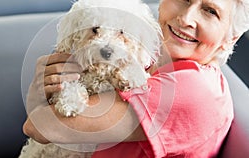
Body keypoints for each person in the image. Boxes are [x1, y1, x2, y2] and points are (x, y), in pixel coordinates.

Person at [23, 0, 249, 157]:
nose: (186, 18)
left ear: (231, 38)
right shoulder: (150, 58)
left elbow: (40, 128)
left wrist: (37, 97)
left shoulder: (194, 92)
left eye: (210, 11)